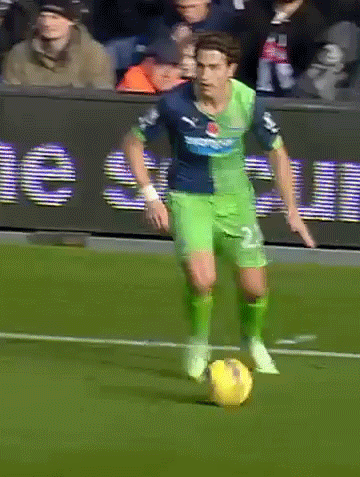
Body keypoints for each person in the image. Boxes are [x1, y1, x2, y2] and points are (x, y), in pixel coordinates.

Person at [122, 31, 315, 381]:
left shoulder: (248, 101)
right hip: (188, 198)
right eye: (200, 66)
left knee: (255, 288)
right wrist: (150, 196)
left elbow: (277, 152)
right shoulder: (174, 103)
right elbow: (133, 142)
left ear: (230, 69)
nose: (205, 75)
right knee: (202, 280)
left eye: (214, 67)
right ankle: (199, 342)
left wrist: (292, 209)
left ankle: (252, 340)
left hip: (236, 201)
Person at [2, 0, 114, 88]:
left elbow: (101, 95)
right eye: (43, 16)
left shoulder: (94, 53)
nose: (47, 23)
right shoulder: (19, 53)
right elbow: (11, 96)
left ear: (71, 21)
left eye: (54, 18)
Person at [117, 38, 184, 93]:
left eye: (174, 66)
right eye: (160, 65)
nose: (167, 74)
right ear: (146, 64)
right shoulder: (134, 82)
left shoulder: (183, 87)